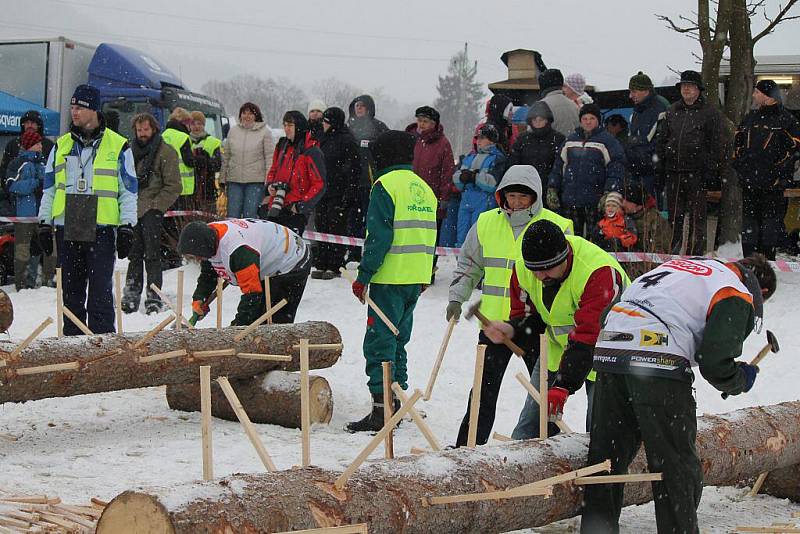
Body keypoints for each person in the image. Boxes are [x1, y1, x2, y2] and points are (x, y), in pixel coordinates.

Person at [581, 254, 777, 533]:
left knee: (606, 457)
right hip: (657, 360)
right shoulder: (735, 289)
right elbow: (714, 361)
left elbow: (609, 313)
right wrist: (739, 379)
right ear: (762, 291)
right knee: (675, 466)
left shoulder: (680, 268)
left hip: (611, 349)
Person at [448, 165, 573, 447]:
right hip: (493, 325)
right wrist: (457, 296)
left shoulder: (557, 225)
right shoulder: (485, 223)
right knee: (482, 394)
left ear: (536, 197)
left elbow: (566, 277)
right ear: (502, 195)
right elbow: (469, 265)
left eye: (522, 197)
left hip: (534, 325)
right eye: (511, 196)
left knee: (542, 392)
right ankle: (466, 450)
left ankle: (549, 448)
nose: (515, 203)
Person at [482, 219, 628, 440]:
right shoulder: (523, 269)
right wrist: (512, 329)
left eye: (547, 269)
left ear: (564, 257)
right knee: (529, 428)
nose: (540, 276)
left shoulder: (597, 273)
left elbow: (590, 335)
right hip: (558, 350)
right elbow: (528, 318)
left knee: (602, 432)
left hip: (610, 352)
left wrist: (563, 385)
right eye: (535, 270)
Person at [345, 130, 437, 433]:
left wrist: (364, 276)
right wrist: (424, 275)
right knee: (398, 341)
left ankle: (382, 408)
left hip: (389, 278)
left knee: (379, 342)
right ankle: (397, 400)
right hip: (415, 278)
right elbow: (429, 236)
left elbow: (379, 237)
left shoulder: (385, 185)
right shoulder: (423, 187)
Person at [38, 84, 138, 335]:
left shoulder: (119, 145)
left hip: (101, 228)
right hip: (67, 226)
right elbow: (49, 188)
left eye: (79, 107)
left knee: (100, 294)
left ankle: (103, 350)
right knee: (70, 294)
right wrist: (43, 222)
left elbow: (128, 191)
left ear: (93, 109)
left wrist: (127, 226)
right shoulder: (60, 146)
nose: (74, 112)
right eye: (72, 107)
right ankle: (73, 346)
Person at [178, 219, 311, 326]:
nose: (197, 259)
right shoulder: (208, 238)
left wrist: (238, 328)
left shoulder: (239, 251)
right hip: (267, 257)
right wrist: (200, 297)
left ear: (204, 247)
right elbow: (209, 274)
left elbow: (252, 294)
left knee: (272, 324)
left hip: (292, 260)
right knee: (257, 320)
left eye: (197, 256)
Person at [656, 70, 724, 255]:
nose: (686, 89)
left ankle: (695, 258)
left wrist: (711, 171)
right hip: (674, 172)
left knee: (697, 219)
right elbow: (662, 140)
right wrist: (660, 166)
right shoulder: (671, 111)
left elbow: (717, 145)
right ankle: (673, 256)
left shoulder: (710, 113)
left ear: (698, 89)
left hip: (697, 173)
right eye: (683, 86)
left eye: (690, 86)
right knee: (674, 218)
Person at [122, 112, 182, 314]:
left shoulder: (166, 152)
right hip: (132, 209)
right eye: (139, 130)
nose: (142, 134)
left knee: (153, 256)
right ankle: (131, 295)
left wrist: (157, 206)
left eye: (145, 129)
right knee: (134, 254)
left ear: (154, 128)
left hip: (153, 210)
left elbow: (174, 186)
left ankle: (154, 297)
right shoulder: (129, 150)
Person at [734, 79, 800, 260]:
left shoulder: (787, 120)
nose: (754, 95)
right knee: (749, 226)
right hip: (750, 184)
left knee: (770, 226)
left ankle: (767, 263)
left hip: (773, 185)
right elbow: (736, 145)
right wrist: (742, 169)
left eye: (757, 92)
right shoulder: (750, 118)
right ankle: (748, 261)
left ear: (768, 96)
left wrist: (776, 174)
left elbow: (794, 151)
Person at [548, 103, 625, 237]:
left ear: (598, 121)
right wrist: (552, 188)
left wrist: (609, 191)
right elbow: (558, 166)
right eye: (585, 118)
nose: (588, 121)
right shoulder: (570, 140)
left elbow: (616, 168)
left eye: (592, 118)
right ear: (580, 120)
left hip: (595, 200)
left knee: (595, 238)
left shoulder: (607, 141)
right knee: (570, 237)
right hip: (570, 199)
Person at [406, 105, 456, 281]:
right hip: (410, 196)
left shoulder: (443, 144)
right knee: (411, 234)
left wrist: (443, 197)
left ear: (434, 124)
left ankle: (427, 270)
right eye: (419, 120)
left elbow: (447, 171)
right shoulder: (412, 139)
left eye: (425, 121)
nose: (421, 124)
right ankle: (411, 267)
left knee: (429, 237)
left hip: (432, 197)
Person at [312, 107, 360, 279]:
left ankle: (334, 264)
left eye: (326, 122)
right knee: (321, 224)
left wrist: (349, 194)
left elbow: (355, 170)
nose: (323, 125)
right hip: (323, 191)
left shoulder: (347, 140)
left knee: (336, 226)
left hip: (339, 192)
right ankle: (321, 262)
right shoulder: (322, 138)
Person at [4, 131, 55, 290]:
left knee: (49, 251)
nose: (41, 145)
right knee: (22, 252)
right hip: (24, 216)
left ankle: (48, 282)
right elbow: (11, 185)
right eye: (38, 143)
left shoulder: (45, 163)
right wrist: (35, 184)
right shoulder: (17, 164)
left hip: (43, 215)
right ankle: (22, 285)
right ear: (30, 145)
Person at [262, 111, 326, 236]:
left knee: (288, 250)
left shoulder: (311, 151)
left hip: (295, 210)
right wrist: (270, 185)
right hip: (275, 205)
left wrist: (302, 206)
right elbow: (273, 169)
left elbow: (319, 184)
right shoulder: (282, 145)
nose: (286, 129)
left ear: (299, 126)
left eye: (290, 125)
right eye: (284, 125)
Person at [347, 95, 389, 262]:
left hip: (372, 181)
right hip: (352, 181)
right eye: (357, 105)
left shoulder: (379, 127)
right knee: (353, 219)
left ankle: (371, 253)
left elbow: (387, 150)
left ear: (369, 108)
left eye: (362, 106)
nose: (359, 109)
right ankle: (353, 253)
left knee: (371, 219)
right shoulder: (348, 127)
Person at [453, 124, 506, 246]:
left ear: (491, 140)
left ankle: (478, 264)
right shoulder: (469, 157)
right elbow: (456, 177)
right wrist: (462, 178)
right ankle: (462, 263)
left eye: (482, 138)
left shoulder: (497, 158)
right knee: (462, 237)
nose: (478, 141)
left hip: (485, 201)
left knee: (479, 237)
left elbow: (493, 183)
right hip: (466, 200)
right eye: (478, 138)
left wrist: (474, 177)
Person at [220, 102, 274, 219]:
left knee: (250, 216)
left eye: (250, 113)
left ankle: (251, 238)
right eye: (244, 113)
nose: (247, 116)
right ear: (240, 115)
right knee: (232, 216)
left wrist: (268, 181)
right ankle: (233, 238)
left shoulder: (265, 132)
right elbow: (226, 156)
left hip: (255, 182)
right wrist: (222, 178)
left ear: (256, 116)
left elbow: (270, 158)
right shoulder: (233, 131)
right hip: (234, 181)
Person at [627, 72, 668, 200]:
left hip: (653, 172)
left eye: (634, 91)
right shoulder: (637, 110)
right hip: (638, 169)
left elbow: (659, 142)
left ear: (646, 91)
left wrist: (646, 161)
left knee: (652, 209)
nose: (630, 96)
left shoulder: (660, 108)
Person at [508, 101, 566, 181]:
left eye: (541, 119)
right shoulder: (522, 139)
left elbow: (560, 165)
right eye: (534, 119)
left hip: (549, 185)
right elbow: (514, 162)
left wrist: (554, 185)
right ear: (530, 121)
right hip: (526, 184)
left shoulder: (558, 139)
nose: (537, 123)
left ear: (547, 120)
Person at [0, 110, 55, 183]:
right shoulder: (13, 144)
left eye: (32, 123)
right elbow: (4, 170)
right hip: (15, 189)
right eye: (27, 123)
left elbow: (53, 170)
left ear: (39, 125)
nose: (29, 126)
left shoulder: (48, 145)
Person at [189, 110, 222, 214]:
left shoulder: (213, 142)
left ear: (204, 125)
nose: (196, 127)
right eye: (193, 123)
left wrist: (205, 160)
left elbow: (217, 164)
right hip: (189, 189)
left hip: (207, 189)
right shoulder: (185, 140)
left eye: (199, 123)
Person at [161, 107, 196, 203]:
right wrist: (200, 159)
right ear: (184, 123)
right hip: (182, 187)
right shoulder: (183, 137)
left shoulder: (163, 136)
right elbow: (189, 161)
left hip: (166, 186)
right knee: (181, 216)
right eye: (190, 123)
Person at [538, 69, 580, 137]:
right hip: (570, 146)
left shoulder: (541, 106)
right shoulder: (574, 106)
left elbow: (533, 133)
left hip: (549, 146)